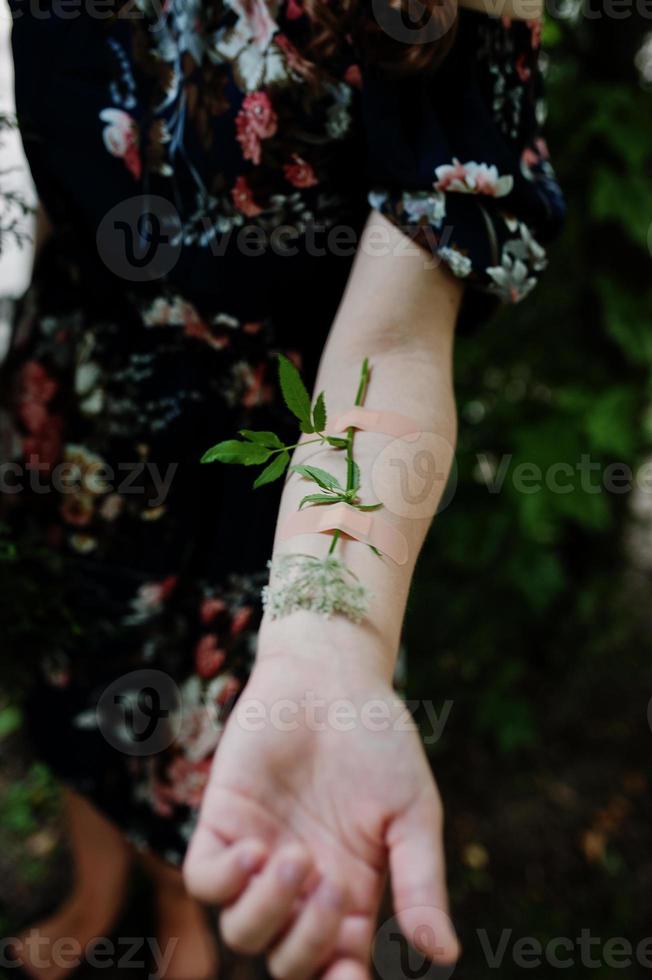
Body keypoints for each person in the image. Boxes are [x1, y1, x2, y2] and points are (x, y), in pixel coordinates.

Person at [0, 0, 564, 976]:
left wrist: (334, 640)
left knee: (210, 720)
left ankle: (182, 909)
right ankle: (96, 890)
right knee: (75, 676)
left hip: (276, 448)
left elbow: (391, 346)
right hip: (74, 382)